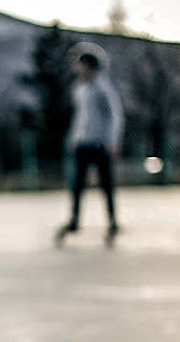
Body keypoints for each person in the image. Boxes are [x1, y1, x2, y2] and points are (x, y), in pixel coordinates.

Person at [57, 43, 124, 246]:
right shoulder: (79, 89)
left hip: (100, 144)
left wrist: (112, 141)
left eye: (79, 64)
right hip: (82, 143)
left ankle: (112, 221)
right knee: (77, 184)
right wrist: (74, 137)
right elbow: (81, 118)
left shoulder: (102, 87)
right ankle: (75, 220)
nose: (76, 68)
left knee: (106, 183)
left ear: (88, 65)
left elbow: (114, 116)